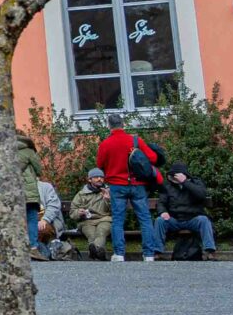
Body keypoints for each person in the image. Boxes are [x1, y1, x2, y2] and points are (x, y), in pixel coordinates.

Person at [92, 110, 163, 262]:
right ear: (123, 125)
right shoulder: (135, 141)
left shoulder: (105, 144)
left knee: (118, 219)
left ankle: (119, 254)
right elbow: (153, 158)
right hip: (138, 184)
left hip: (117, 185)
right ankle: (149, 254)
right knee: (144, 218)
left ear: (109, 126)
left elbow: (99, 165)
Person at [157, 166, 219, 260]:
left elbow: (201, 195)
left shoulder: (196, 182)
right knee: (160, 221)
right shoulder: (167, 186)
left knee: (204, 220)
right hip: (175, 219)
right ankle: (157, 252)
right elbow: (161, 202)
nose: (174, 179)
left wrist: (185, 182)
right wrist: (163, 212)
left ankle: (210, 251)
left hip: (193, 218)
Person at [62, 169, 115, 259]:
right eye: (96, 177)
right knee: (91, 234)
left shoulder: (109, 192)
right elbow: (72, 212)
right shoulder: (81, 194)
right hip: (87, 221)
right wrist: (79, 212)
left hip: (105, 219)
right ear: (90, 179)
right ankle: (99, 252)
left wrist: (108, 200)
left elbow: (116, 211)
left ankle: (94, 250)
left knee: (101, 232)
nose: (99, 179)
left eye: (101, 177)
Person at [29, 177, 66, 259]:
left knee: (42, 229)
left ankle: (38, 250)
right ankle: (38, 250)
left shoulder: (46, 187)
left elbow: (54, 206)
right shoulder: (18, 188)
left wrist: (45, 219)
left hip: (46, 219)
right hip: (28, 219)